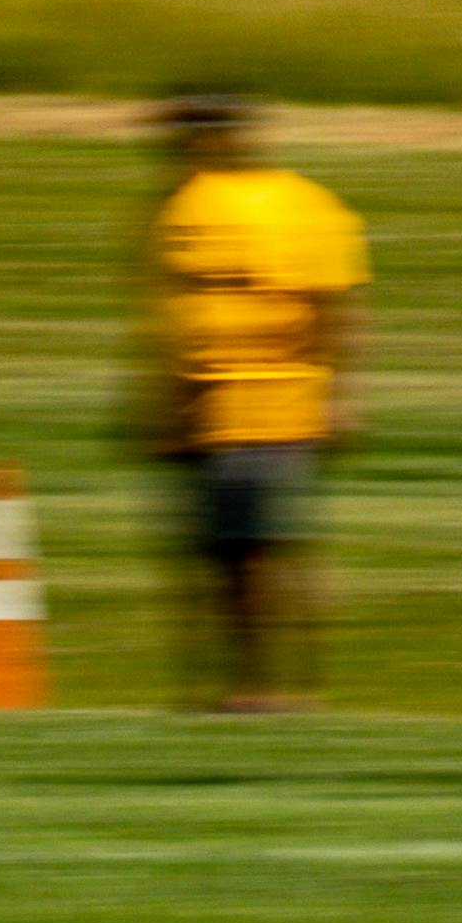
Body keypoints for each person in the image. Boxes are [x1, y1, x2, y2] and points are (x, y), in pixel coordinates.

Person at [136, 94, 365, 713]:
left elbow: (333, 305)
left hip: (270, 398)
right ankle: (233, 685)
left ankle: (275, 685)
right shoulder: (176, 208)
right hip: (206, 403)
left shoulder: (296, 205)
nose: (174, 153)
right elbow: (170, 319)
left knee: (256, 552)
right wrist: (161, 404)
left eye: (187, 138)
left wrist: (341, 395)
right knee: (218, 554)